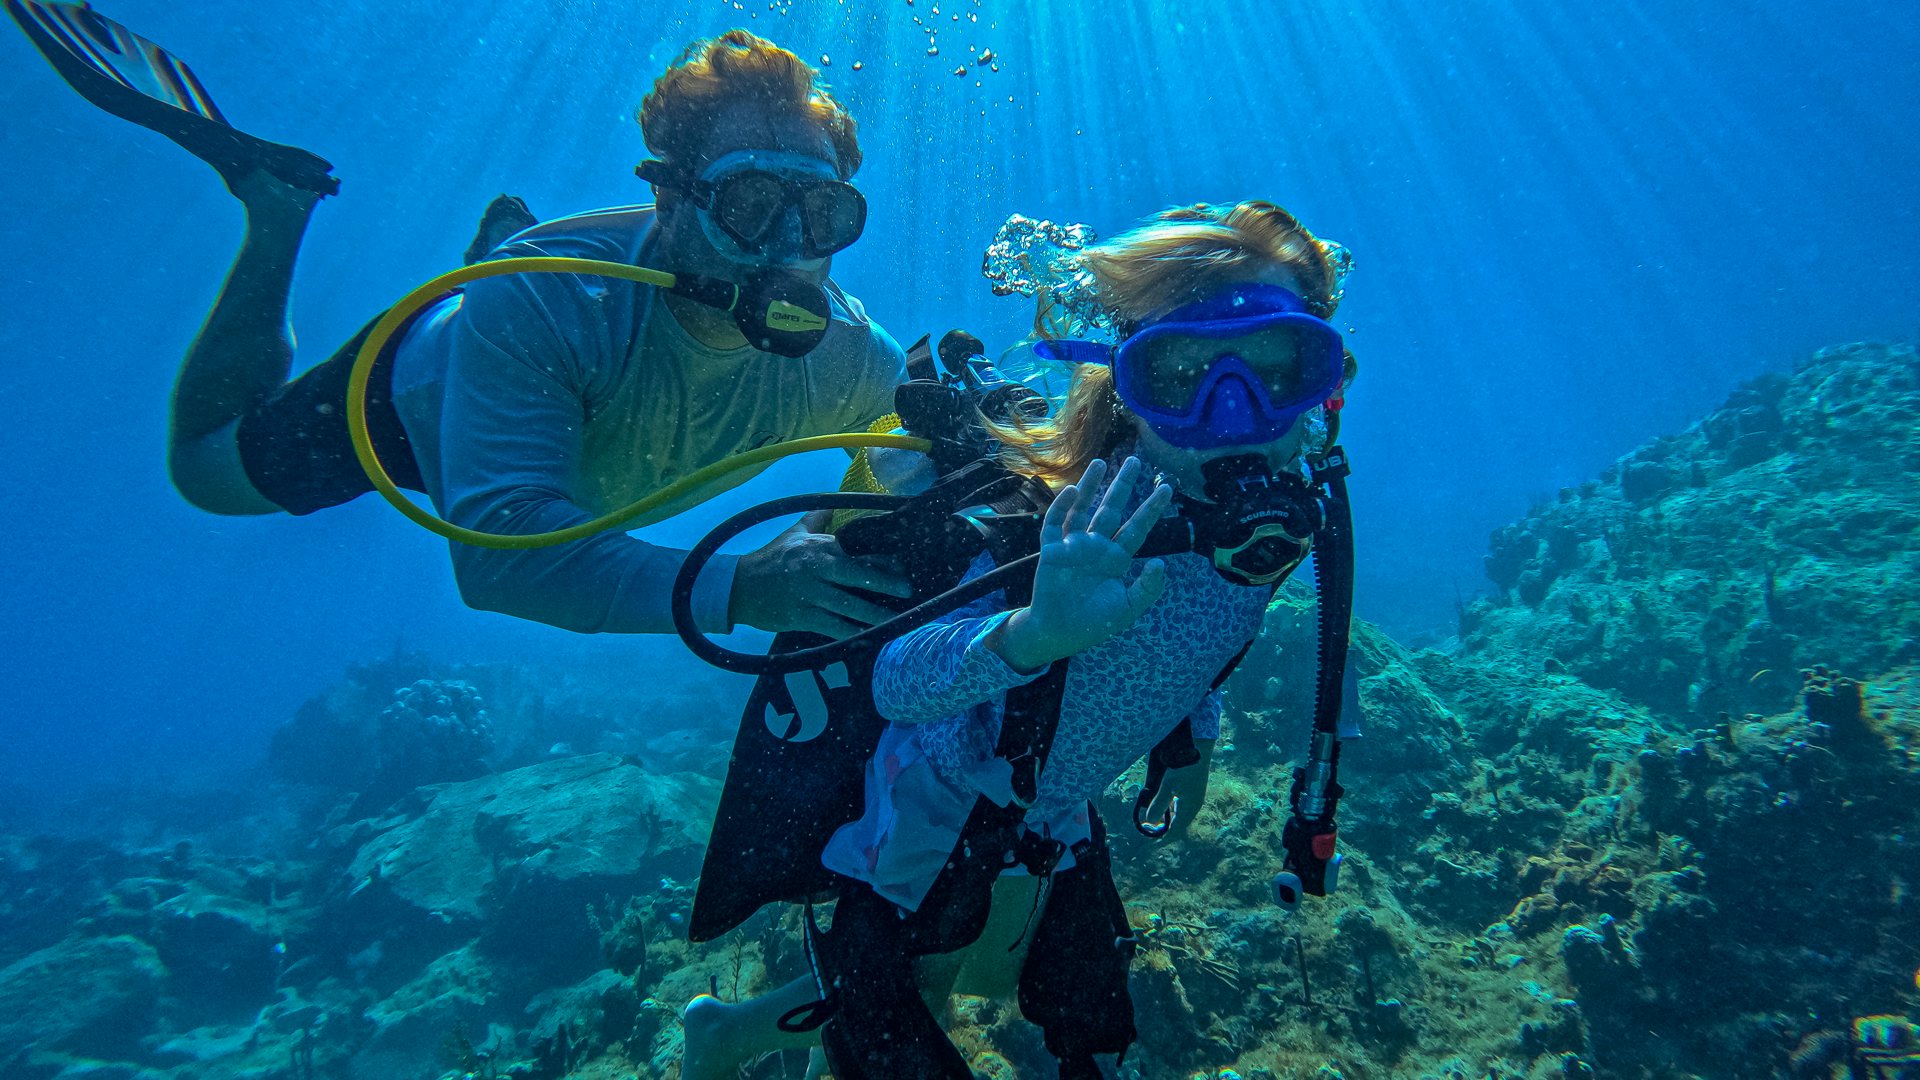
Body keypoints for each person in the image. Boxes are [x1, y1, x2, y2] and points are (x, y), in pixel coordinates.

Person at [680, 199, 1358, 1079]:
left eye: (1277, 367)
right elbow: (893, 681)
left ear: (1325, 383)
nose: (1236, 416)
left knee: (1018, 989)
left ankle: (732, 1032)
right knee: (911, 992)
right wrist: (1033, 629)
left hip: (1054, 793)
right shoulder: (1057, 527)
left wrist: (1190, 738)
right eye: (1181, 375)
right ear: (1120, 383)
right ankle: (749, 1036)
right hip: (944, 783)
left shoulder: (1274, 526)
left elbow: (1205, 644)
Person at [8, 2, 912, 639]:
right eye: (754, 203)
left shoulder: (847, 355)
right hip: (417, 402)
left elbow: (917, 430)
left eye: (825, 217)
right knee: (204, 468)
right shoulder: (550, 301)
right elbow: (508, 560)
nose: (791, 246)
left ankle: (499, 250)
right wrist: (741, 586)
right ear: (671, 201)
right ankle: (277, 214)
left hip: (546, 336)